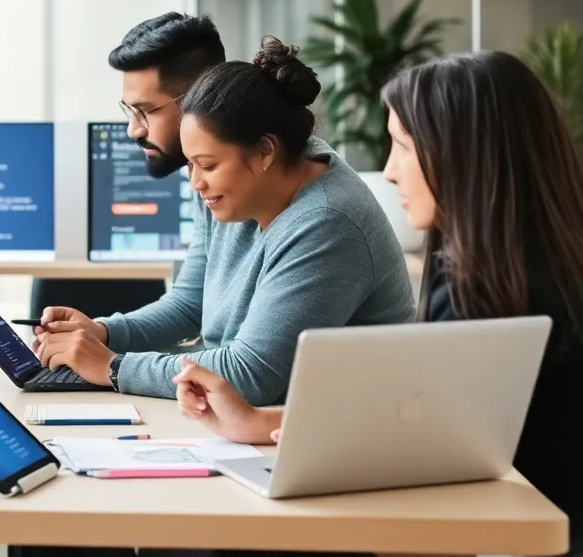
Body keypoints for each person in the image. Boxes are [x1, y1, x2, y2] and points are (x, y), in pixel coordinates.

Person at [173, 50, 583, 554]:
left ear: (467, 155)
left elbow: (438, 451)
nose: (388, 172)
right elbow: (430, 420)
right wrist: (259, 423)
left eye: (404, 147)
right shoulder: (502, 267)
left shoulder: (500, 289)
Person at [35, 32, 413, 405]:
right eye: (192, 164)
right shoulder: (242, 178)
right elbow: (190, 303)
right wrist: (103, 333)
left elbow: (250, 374)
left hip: (332, 431)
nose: (196, 182)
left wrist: (112, 367)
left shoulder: (326, 221)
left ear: (265, 152)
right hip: (252, 419)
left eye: (207, 165)